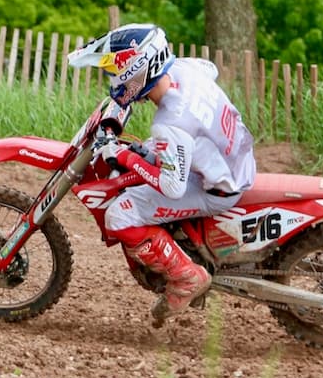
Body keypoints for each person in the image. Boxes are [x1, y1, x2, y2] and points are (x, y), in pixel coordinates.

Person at [68, 23, 257, 327]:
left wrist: (124, 156)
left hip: (217, 186)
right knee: (150, 150)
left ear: (138, 68)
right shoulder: (185, 69)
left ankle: (186, 278)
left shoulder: (170, 123)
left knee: (120, 215)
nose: (113, 77)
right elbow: (210, 69)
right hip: (230, 158)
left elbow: (171, 186)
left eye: (117, 69)